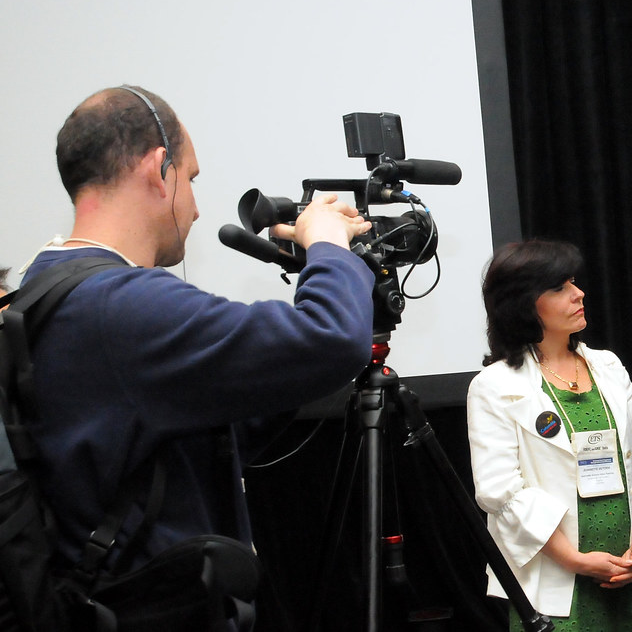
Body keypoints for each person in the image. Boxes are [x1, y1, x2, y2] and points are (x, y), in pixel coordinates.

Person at [17, 86, 375, 625]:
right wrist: (327, 245)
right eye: (192, 179)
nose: (197, 207)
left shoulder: (46, 287)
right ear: (159, 169)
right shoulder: (123, 306)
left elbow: (176, 442)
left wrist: (275, 371)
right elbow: (332, 338)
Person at [466, 239, 632, 630]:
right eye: (560, 287)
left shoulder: (607, 365)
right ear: (524, 303)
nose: (579, 294)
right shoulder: (493, 385)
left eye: (574, 282)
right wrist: (576, 560)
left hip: (629, 572)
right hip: (558, 584)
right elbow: (500, 492)